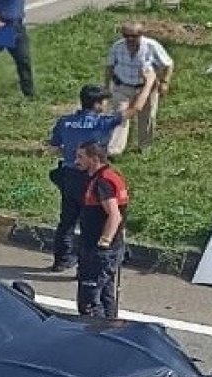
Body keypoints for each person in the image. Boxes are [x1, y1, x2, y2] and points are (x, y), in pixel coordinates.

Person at [45, 84, 128, 272]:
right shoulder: (102, 123)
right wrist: (147, 88)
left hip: (69, 176)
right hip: (91, 178)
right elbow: (132, 111)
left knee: (67, 220)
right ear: (98, 104)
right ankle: (85, 265)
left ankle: (61, 260)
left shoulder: (65, 122)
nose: (106, 106)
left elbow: (54, 146)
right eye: (104, 102)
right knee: (89, 223)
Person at [73, 141, 129, 319]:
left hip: (99, 250)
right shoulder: (111, 175)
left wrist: (103, 244)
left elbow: (115, 216)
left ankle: (95, 335)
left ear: (94, 159)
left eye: (81, 157)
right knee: (106, 296)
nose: (76, 161)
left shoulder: (102, 182)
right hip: (111, 247)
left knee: (89, 301)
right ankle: (110, 328)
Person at [105, 22, 174, 156]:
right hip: (122, 86)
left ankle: (144, 147)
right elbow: (109, 66)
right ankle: (114, 151)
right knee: (120, 116)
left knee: (147, 117)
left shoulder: (151, 46)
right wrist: (106, 86)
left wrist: (165, 82)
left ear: (141, 35)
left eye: (134, 36)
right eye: (126, 36)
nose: (130, 39)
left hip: (145, 88)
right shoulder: (117, 47)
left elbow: (169, 64)